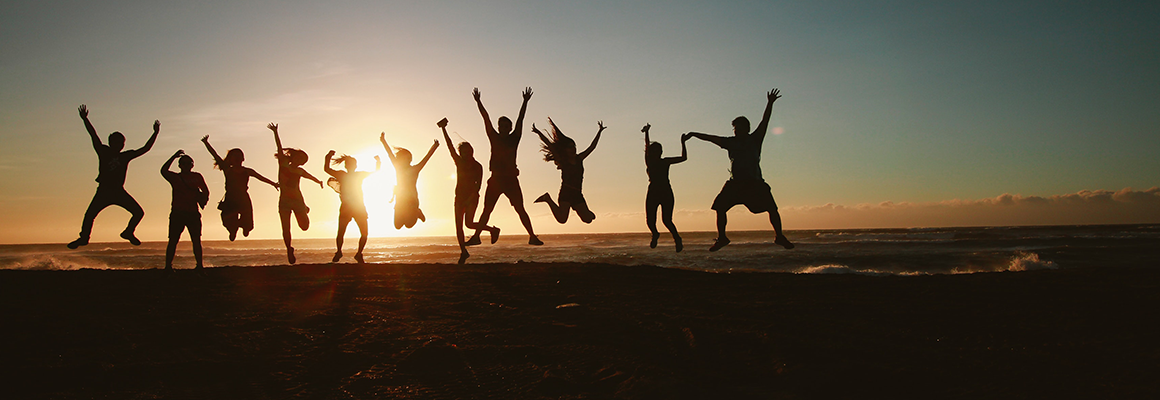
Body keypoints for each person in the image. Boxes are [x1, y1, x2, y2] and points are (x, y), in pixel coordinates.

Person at [686, 88, 794, 251]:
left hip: (754, 183)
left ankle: (779, 236)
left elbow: (765, 121)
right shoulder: (730, 142)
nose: (736, 131)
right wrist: (694, 134)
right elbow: (711, 138)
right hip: (735, 184)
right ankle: (722, 238)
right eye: (735, 128)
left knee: (772, 208)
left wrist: (769, 103)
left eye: (739, 128)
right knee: (720, 208)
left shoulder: (755, 139)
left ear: (746, 129)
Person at [67, 105, 159, 249]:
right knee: (89, 215)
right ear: (110, 143)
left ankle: (128, 232)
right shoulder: (103, 151)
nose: (119, 145)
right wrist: (85, 119)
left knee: (138, 212)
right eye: (116, 142)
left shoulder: (125, 156)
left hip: (118, 191)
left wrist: (155, 133)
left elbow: (145, 149)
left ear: (123, 144)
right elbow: (93, 135)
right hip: (104, 190)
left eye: (121, 143)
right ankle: (84, 238)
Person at [468, 87, 543, 246]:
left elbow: (520, 120)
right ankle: (476, 237)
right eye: (500, 125)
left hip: (510, 180)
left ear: (509, 128)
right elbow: (486, 119)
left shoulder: (514, 138)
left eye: (505, 126)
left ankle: (532, 236)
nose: (503, 128)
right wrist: (479, 102)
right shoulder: (494, 137)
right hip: (495, 179)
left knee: (520, 209)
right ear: (499, 127)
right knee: (487, 210)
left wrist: (525, 102)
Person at [438, 118, 500, 264]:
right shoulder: (459, 162)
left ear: (472, 151)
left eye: (469, 151)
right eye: (464, 152)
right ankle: (463, 252)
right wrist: (443, 129)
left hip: (472, 197)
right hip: (459, 197)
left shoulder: (478, 166)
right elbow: (450, 147)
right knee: (459, 227)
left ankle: (492, 230)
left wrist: (471, 197)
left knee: (469, 224)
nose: (467, 154)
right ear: (461, 153)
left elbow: (478, 185)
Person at [200, 135, 279, 241]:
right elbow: (215, 155)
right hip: (230, 198)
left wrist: (273, 184)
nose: (237, 158)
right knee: (228, 220)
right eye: (234, 156)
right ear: (231, 159)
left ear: (243, 158)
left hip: (243, 198)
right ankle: (233, 230)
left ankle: (245, 228)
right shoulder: (228, 169)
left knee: (248, 221)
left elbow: (261, 178)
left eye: (239, 156)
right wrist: (206, 143)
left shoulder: (247, 171)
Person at [269, 123, 324, 264]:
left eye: (303, 161)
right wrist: (275, 132)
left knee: (305, 227)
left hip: (298, 201)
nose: (301, 162)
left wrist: (318, 181)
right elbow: (279, 148)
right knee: (286, 228)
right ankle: (289, 249)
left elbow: (310, 176)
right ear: (294, 157)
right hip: (284, 202)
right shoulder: (283, 164)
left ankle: (305, 209)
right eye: (300, 158)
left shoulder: (300, 171)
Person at [532, 119, 605, 224]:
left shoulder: (579, 158)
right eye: (570, 147)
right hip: (566, 192)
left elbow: (591, 147)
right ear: (565, 150)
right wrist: (538, 132)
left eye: (574, 146)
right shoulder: (563, 161)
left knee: (588, 219)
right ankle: (547, 199)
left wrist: (599, 131)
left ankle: (582, 210)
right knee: (562, 219)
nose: (573, 149)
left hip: (577, 193)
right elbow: (550, 145)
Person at [324, 151, 380, 263]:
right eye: (350, 164)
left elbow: (376, 171)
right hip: (350, 207)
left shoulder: (355, 175)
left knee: (361, 233)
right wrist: (328, 157)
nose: (351, 166)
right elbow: (327, 169)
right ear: (348, 166)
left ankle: (357, 254)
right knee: (344, 232)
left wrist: (378, 161)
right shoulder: (343, 174)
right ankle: (341, 252)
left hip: (357, 206)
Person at [160, 150, 210, 273]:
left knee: (196, 240)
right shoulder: (175, 177)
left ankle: (199, 266)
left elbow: (206, 191)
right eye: (184, 163)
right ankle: (168, 267)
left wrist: (203, 199)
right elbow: (163, 171)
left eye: (188, 163)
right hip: (178, 212)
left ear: (192, 165)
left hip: (193, 212)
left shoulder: (197, 176)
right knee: (173, 241)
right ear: (180, 165)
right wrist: (173, 156)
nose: (186, 166)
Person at [642, 123, 688, 252]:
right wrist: (646, 132)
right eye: (653, 151)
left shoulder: (665, 161)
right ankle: (655, 234)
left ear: (661, 152)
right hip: (653, 191)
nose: (656, 153)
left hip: (666, 191)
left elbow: (684, 158)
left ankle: (677, 239)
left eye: (658, 151)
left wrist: (683, 143)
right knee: (650, 220)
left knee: (667, 220)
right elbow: (646, 146)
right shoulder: (649, 161)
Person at [380, 133, 439, 230]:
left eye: (408, 158)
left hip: (411, 201)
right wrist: (383, 141)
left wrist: (434, 147)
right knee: (398, 226)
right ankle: (415, 213)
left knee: (409, 225)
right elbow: (389, 154)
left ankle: (417, 212)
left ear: (410, 160)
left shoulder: (415, 169)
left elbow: (426, 158)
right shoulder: (398, 168)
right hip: (400, 199)